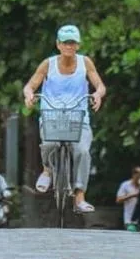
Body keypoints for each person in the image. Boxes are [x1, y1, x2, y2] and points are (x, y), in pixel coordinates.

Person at [23, 24, 106, 214]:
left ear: (78, 45)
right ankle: (47, 170)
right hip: (52, 115)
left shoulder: (85, 63)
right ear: (58, 44)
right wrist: (29, 96)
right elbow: (30, 86)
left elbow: (99, 85)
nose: (69, 47)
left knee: (83, 151)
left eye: (73, 43)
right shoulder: (48, 64)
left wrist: (98, 94)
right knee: (49, 144)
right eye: (65, 43)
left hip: (78, 118)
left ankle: (79, 196)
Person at [116, 166, 140, 231]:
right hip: (129, 221)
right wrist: (132, 195)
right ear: (134, 174)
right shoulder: (125, 185)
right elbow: (118, 200)